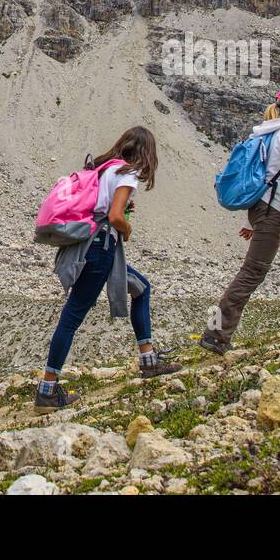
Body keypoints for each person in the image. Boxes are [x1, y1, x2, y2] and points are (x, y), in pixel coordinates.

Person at [37, 126, 180, 412]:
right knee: (72, 315)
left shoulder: (105, 168)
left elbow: (102, 207)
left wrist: (123, 209)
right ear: (146, 153)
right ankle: (47, 390)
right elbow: (115, 217)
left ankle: (148, 358)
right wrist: (127, 228)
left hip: (94, 247)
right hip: (101, 250)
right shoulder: (128, 173)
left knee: (140, 288)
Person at [200, 83, 280, 355]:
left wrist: (250, 221)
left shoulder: (269, 131)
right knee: (252, 272)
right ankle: (215, 333)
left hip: (264, 210)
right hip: (276, 213)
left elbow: (261, 175)